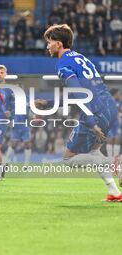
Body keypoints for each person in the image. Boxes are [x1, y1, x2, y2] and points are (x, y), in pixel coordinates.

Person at [37, 24, 122, 201]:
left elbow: (78, 93)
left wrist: (91, 122)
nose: (47, 46)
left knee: (69, 159)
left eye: (49, 42)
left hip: (94, 110)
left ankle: (116, 163)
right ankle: (114, 192)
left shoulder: (63, 65)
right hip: (109, 106)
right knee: (93, 152)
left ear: (58, 44)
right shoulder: (80, 57)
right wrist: (49, 103)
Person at [106, 88, 120, 157]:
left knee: (117, 139)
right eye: (118, 93)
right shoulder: (107, 101)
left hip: (116, 123)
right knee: (110, 139)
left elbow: (119, 111)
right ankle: (109, 158)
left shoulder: (118, 102)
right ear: (115, 93)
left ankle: (115, 158)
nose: (119, 95)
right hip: (109, 123)